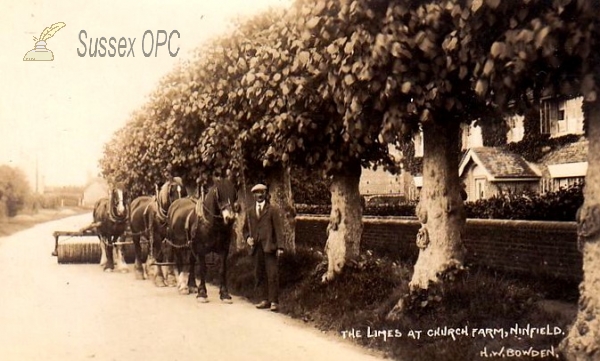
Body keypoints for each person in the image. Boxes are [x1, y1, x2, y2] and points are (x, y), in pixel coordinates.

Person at [243, 183, 285, 312]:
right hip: (256, 247)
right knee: (259, 273)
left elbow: (279, 229)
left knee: (272, 273)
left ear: (266, 195)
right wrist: (247, 238)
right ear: (254, 195)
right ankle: (264, 299)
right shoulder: (250, 211)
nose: (259, 195)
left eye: (262, 193)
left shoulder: (273, 210)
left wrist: (280, 247)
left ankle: (274, 301)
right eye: (257, 193)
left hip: (269, 246)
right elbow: (245, 229)